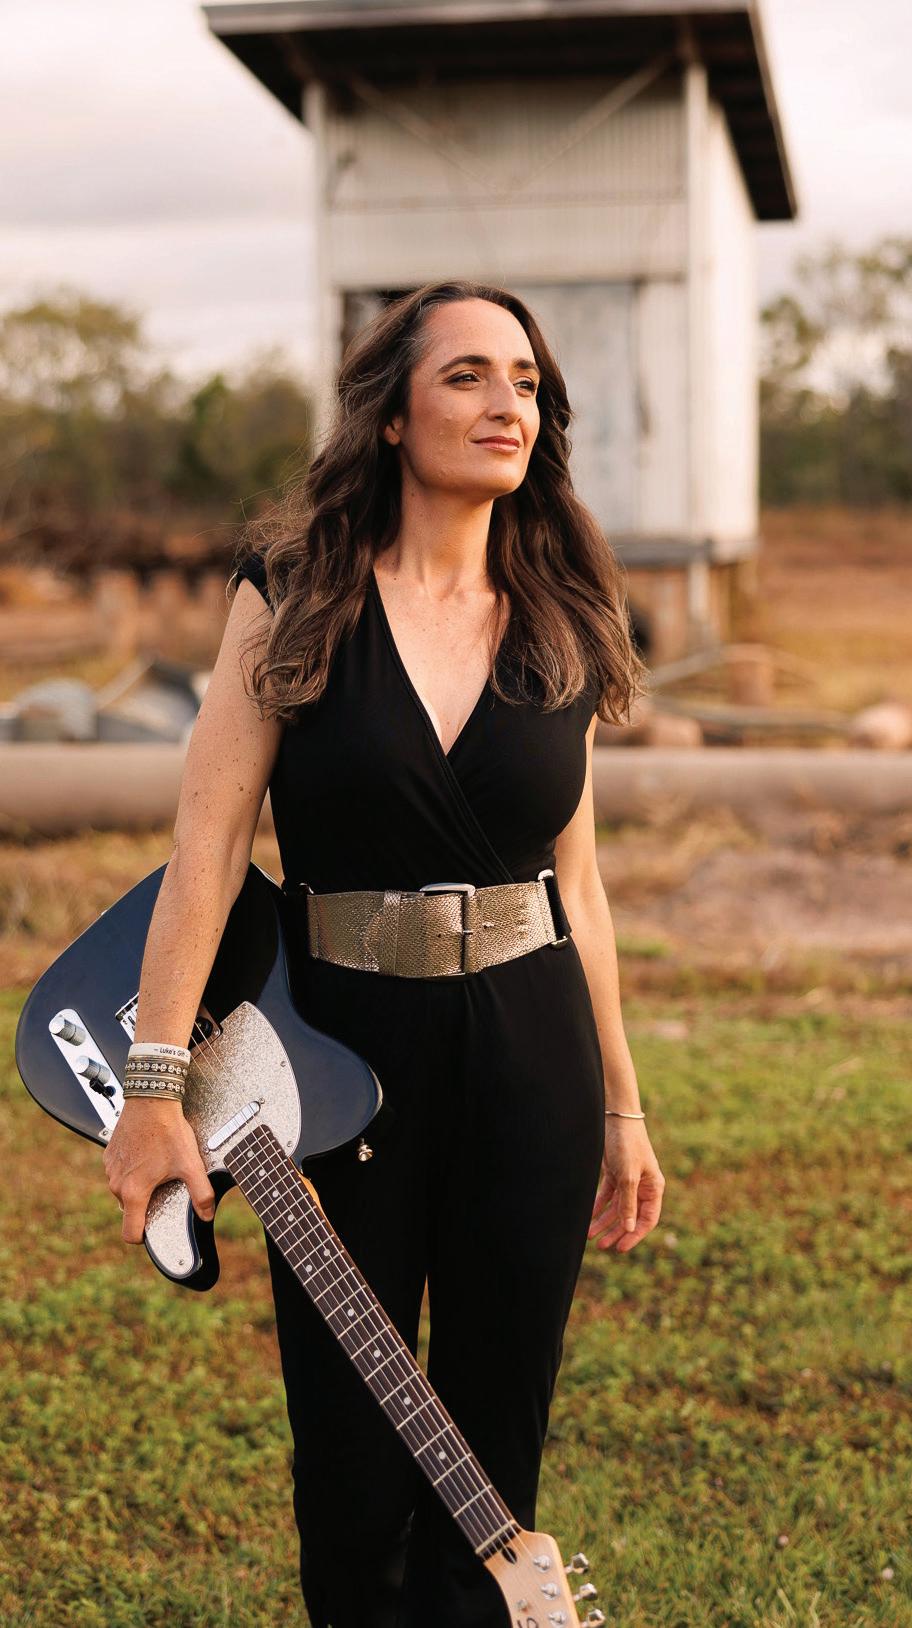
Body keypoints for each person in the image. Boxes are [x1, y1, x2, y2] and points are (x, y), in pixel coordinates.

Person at [102, 280, 667, 1627]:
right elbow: (206, 842)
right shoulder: (291, 596)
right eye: (467, 375)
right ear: (394, 415)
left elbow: (578, 883)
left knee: (492, 1448)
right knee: (354, 1461)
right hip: (331, 1053)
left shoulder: (565, 603)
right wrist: (153, 1082)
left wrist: (620, 1103)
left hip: (530, 1048)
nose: (505, 404)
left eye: (524, 382)